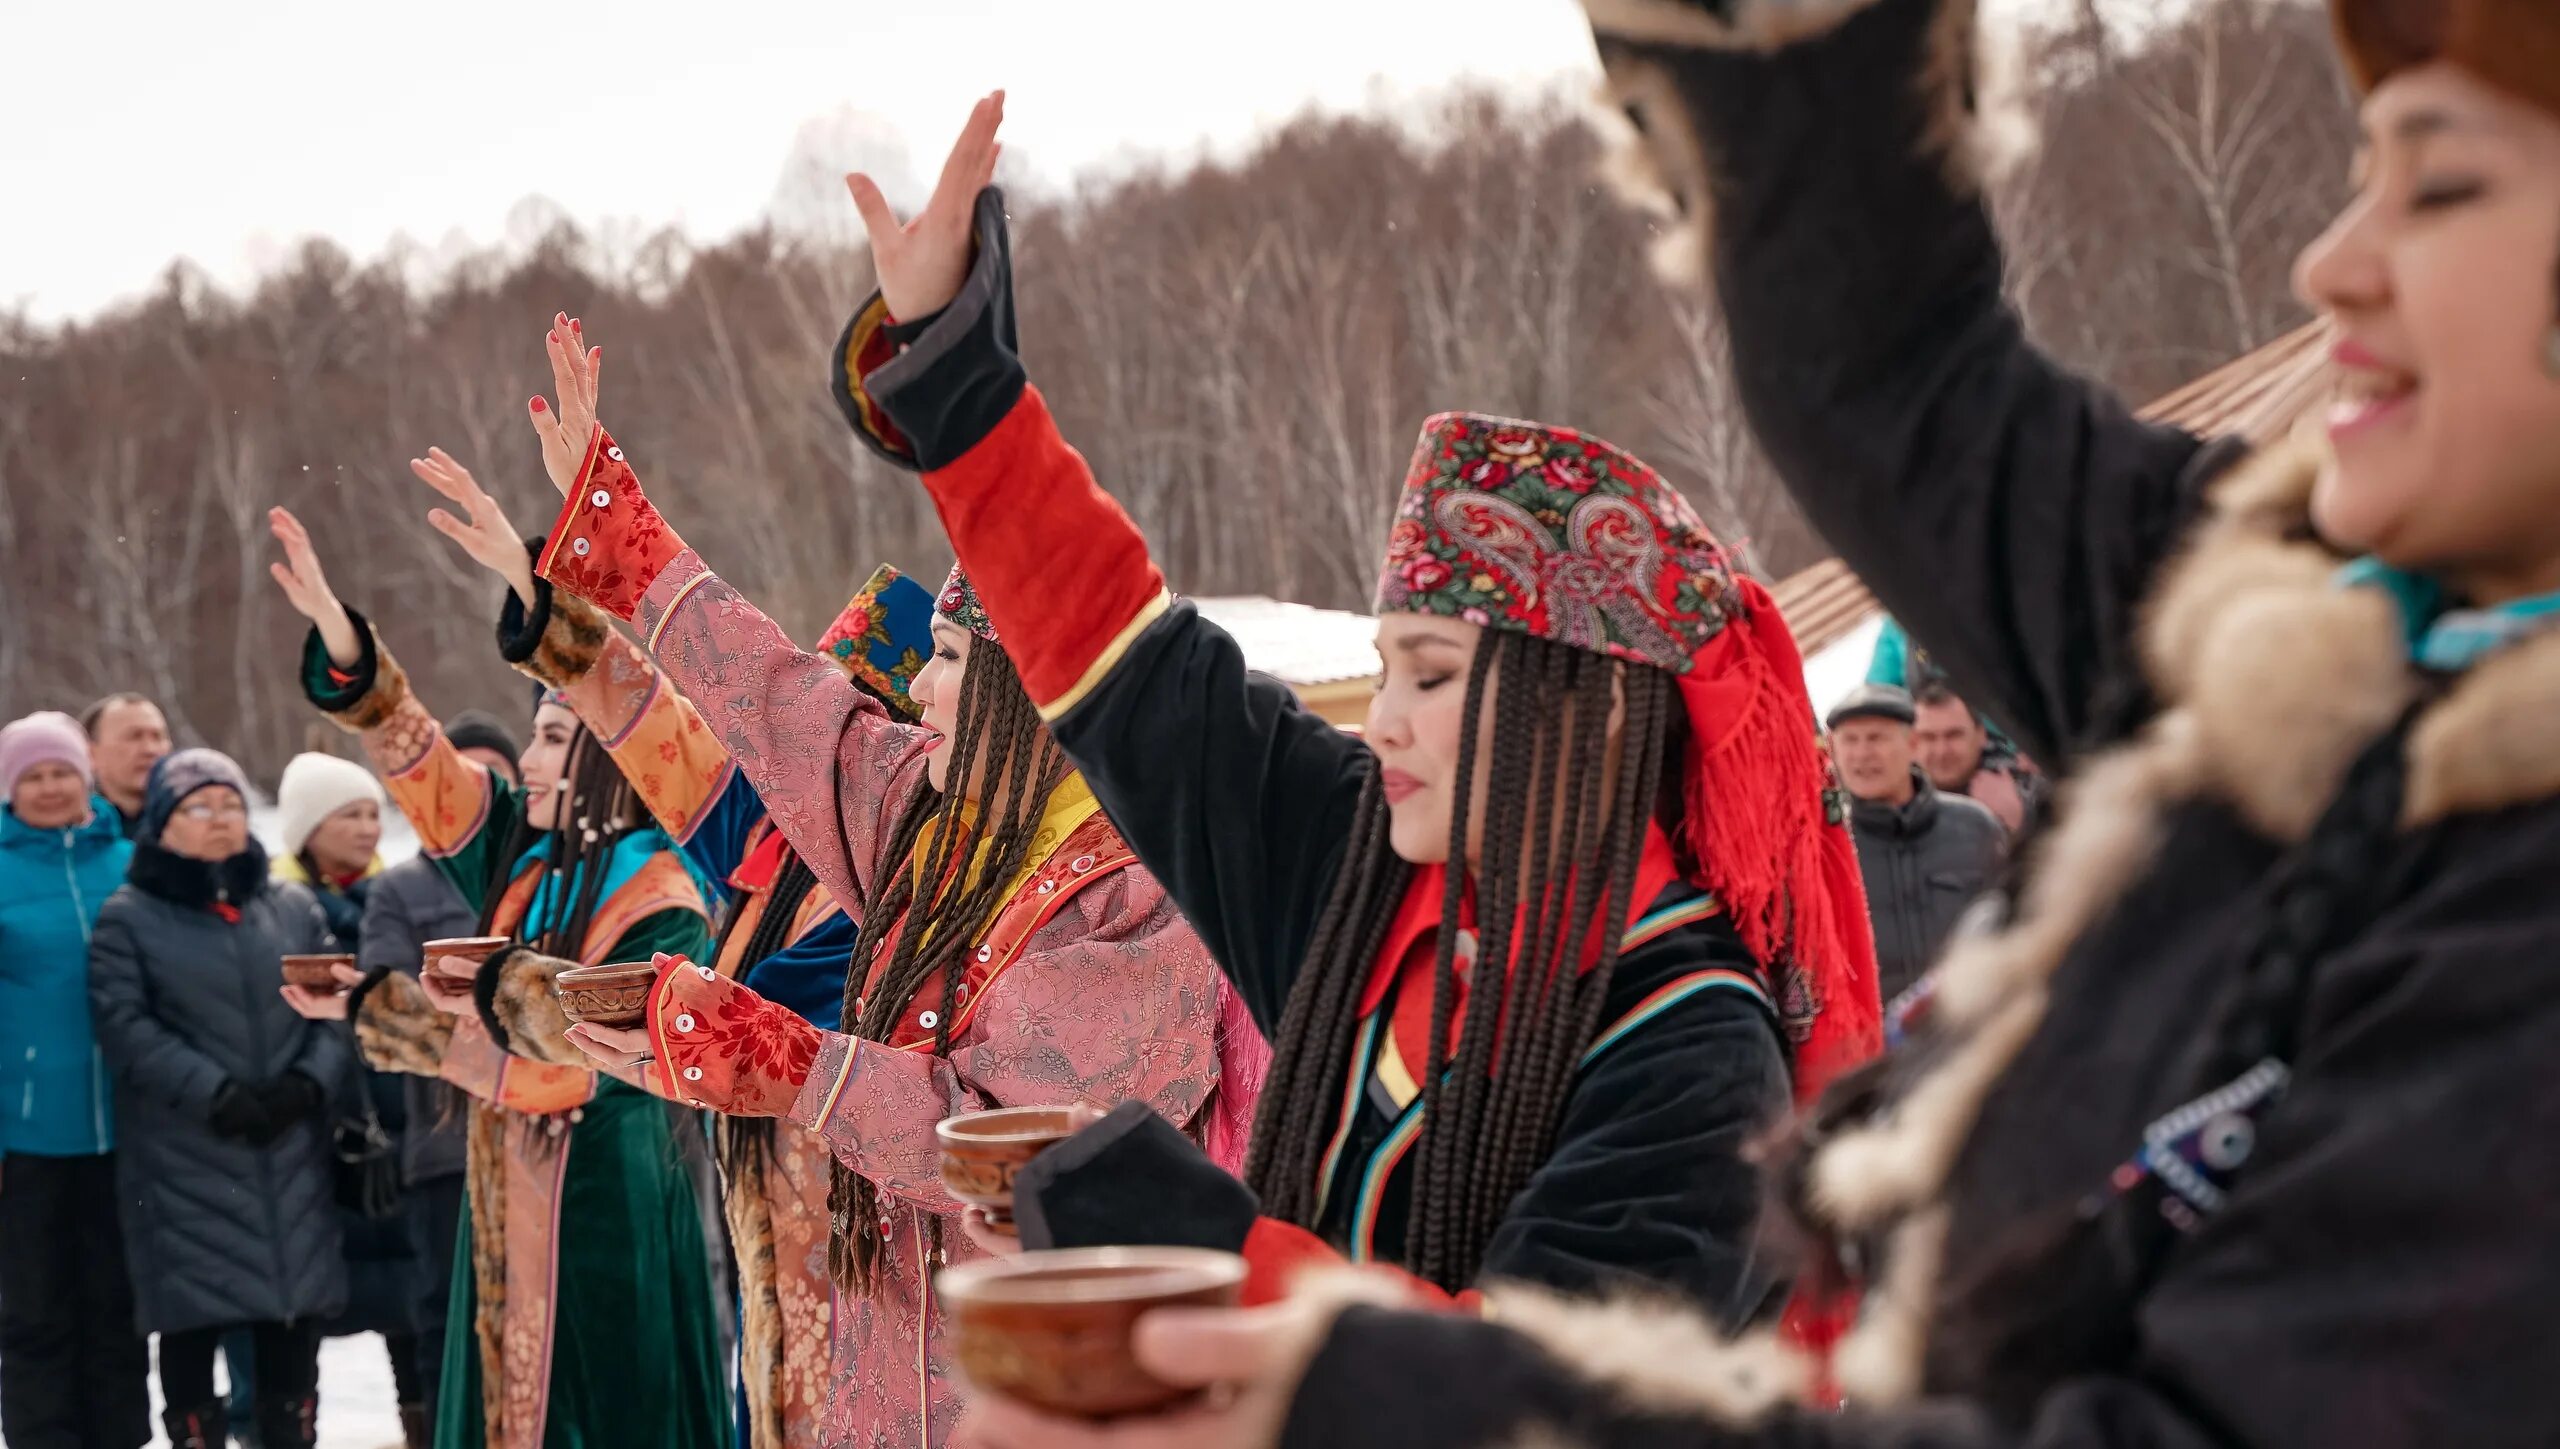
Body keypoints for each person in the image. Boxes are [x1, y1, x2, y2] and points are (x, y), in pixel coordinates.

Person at [960, 1, 2560, 1446]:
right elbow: (1890, 371)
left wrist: (1232, 1290)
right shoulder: (1377, 889)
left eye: (2442, 184)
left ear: (1573, 718)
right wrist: (964, 407)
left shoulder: (1689, 1042)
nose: (2332, 261)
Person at [824, 93, 1877, 1331]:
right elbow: (1136, 671)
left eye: (1429, 676)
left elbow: (1524, 1398)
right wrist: (961, 379)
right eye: (1383, 673)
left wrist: (1199, 1244)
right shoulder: (1362, 863)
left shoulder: (1694, 1049)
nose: (1382, 723)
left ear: (1580, 717)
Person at [512, 289, 1235, 1449]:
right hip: (878, 1360)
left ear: (1026, 692)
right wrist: (623, 533)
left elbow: (1024, 1147)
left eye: (947, 661)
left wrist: (790, 1067)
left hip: (1036, 1398)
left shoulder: (1142, 893)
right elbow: (779, 700)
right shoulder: (937, 824)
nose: (920, 689)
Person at [404, 434, 945, 1449]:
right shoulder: (767, 839)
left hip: (867, 1272)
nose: (800, 748)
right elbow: (643, 712)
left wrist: (531, 996)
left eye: (840, 721)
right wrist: (539, 599)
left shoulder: (904, 878)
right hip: (771, 1261)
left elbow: (765, 1024)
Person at [266, 508, 729, 1449]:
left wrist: (388, 1010)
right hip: (507, 1201)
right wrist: (347, 640)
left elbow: (579, 1065)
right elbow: (417, 759)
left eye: (555, 742)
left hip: (607, 1210)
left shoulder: (661, 894)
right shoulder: (526, 856)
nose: (528, 760)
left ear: (603, 759)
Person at [87, 750, 347, 1449]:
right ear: (164, 825)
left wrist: (307, 1083)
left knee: (290, 1328)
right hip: (184, 1159)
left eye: (230, 803)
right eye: (199, 807)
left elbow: (337, 1005)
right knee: (191, 1326)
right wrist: (215, 1092)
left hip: (287, 1153)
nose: (220, 819)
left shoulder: (290, 907)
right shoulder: (128, 916)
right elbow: (125, 1024)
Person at [353, 714, 519, 1449]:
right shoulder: (400, 888)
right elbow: (389, 998)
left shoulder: (543, 877)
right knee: (447, 1317)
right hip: (443, 1138)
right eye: (461, 778)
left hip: (547, 1131)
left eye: (493, 781)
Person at [270, 752, 433, 1446]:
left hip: (395, 1125)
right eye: (350, 814)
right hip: (309, 1135)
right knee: (300, 1318)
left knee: (410, 1309)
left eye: (374, 811)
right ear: (308, 827)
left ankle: (419, 1427)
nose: (370, 826)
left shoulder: (391, 899)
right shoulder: (277, 909)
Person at [0, 712, 151, 1449]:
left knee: (118, 1310)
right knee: (35, 1315)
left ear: (86, 778)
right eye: (34, 776)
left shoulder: (128, 862)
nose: (51, 787)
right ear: (10, 790)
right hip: (26, 1140)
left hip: (128, 1132)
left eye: (62, 772)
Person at [1825, 686, 2004, 1005]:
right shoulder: (1827, 848)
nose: (1862, 754)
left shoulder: (1975, 827)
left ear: (1912, 745)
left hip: (1972, 1027)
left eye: (1876, 738)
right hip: (1878, 1046)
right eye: (1850, 741)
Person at [1910, 683, 2040, 834]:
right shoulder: (1891, 795)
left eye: (1954, 735)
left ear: (1981, 735)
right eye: (1928, 738)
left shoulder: (2023, 784)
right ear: (1910, 742)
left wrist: (2017, 820)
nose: (1942, 751)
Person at [78, 695, 170, 839]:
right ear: (91, 754)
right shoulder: (73, 835)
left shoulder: (195, 830)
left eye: (157, 736)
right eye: (134, 737)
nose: (150, 749)